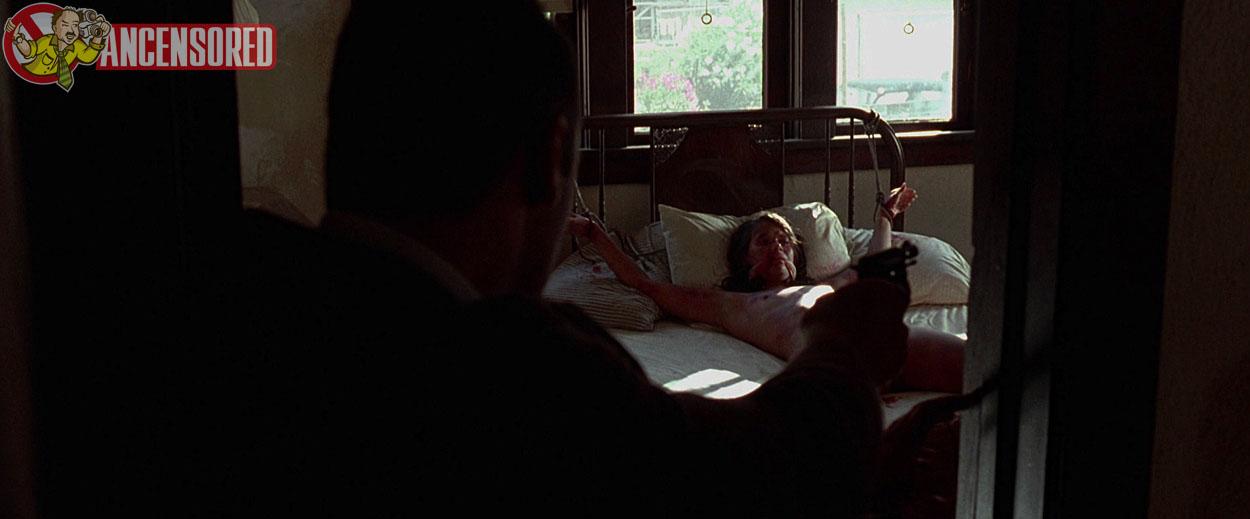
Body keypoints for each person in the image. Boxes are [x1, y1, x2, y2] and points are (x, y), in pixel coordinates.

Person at [177, 2, 963, 517]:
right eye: (765, 238)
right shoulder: (521, 369)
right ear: (550, 156)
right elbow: (762, 472)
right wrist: (841, 350)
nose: (779, 244)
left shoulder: (227, 293)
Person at [569, 186, 966, 393]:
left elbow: (877, 267)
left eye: (784, 241)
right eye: (764, 241)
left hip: (884, 339)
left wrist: (884, 216)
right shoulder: (731, 304)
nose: (777, 246)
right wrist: (594, 234)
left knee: (977, 365)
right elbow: (645, 284)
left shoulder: (831, 283)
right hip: (828, 361)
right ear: (744, 259)